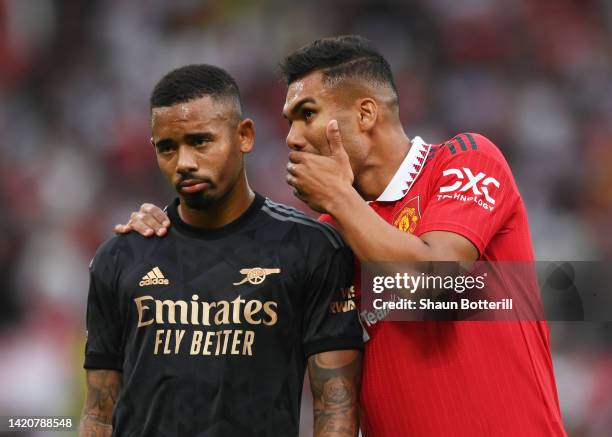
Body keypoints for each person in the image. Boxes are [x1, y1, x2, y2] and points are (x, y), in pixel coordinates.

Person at [118, 37, 567, 436]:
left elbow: (440, 285)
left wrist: (339, 197)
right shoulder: (326, 241)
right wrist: (168, 239)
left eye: (307, 114)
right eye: (289, 121)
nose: (292, 137)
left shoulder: (463, 162)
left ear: (366, 113)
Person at [80, 64, 363, 437]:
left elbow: (335, 411)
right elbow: (99, 413)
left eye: (200, 141)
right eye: (167, 148)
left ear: (244, 136)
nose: (184, 163)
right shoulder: (120, 257)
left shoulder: (310, 249)